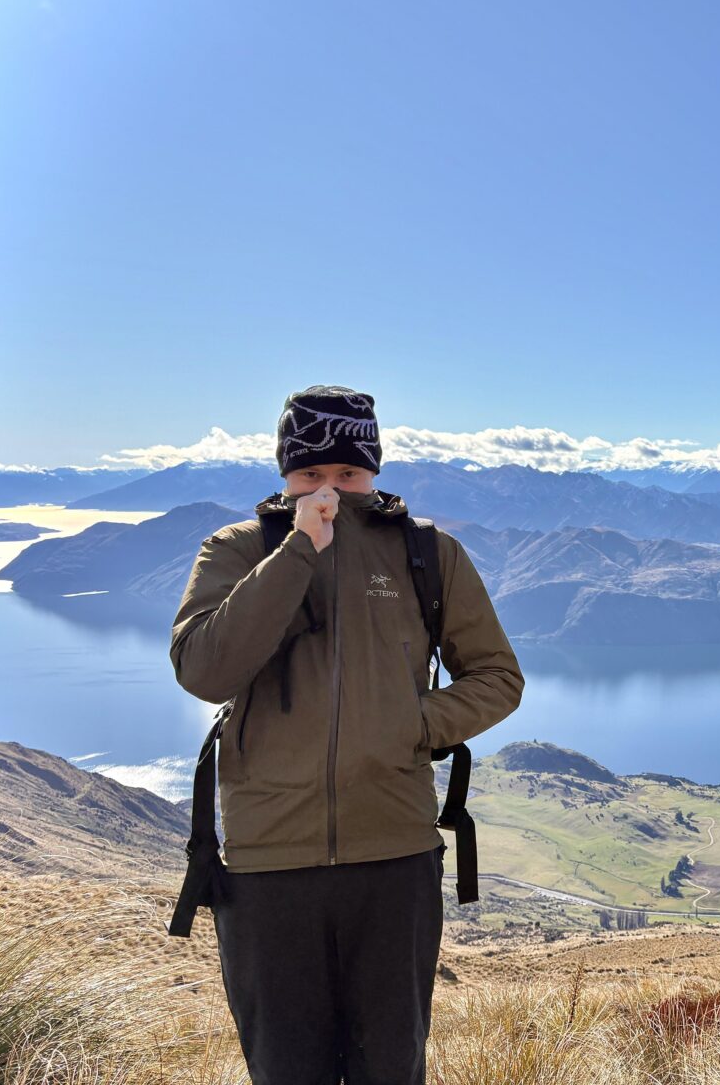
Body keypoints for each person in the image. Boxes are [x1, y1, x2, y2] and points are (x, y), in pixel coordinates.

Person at [169, 384, 525, 1085]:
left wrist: (413, 725)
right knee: (285, 1071)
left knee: (390, 1069)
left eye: (348, 475)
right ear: (284, 474)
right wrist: (298, 552)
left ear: (374, 471)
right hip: (267, 868)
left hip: (393, 859)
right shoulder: (239, 551)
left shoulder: (427, 554)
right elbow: (205, 670)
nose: (329, 489)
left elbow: (496, 676)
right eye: (310, 475)